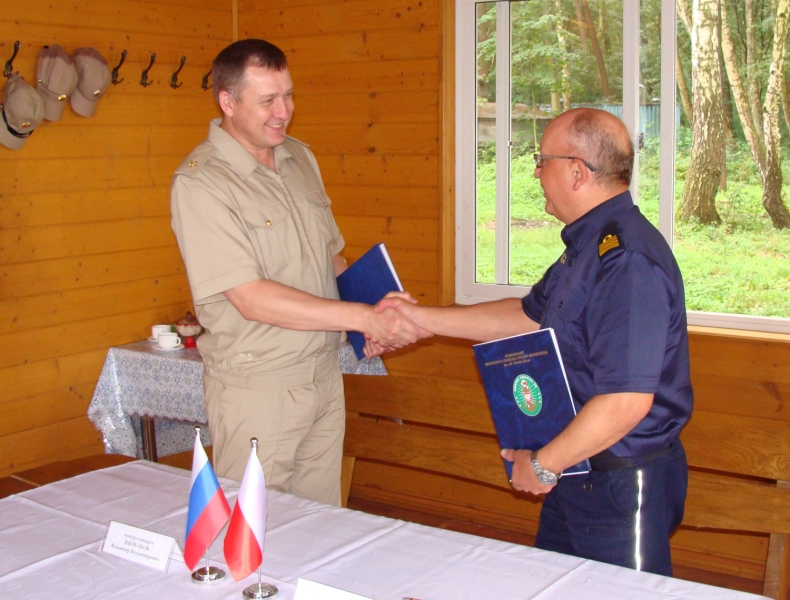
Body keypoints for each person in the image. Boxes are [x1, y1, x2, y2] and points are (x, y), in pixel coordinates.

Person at [376, 108, 693, 576]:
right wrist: (420, 318)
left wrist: (544, 465)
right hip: (577, 465)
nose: (537, 172)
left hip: (619, 482)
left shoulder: (626, 261)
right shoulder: (589, 245)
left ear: (578, 172)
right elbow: (527, 317)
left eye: (543, 161)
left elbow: (625, 401)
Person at [170, 39, 430, 506]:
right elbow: (250, 297)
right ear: (227, 101)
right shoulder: (201, 183)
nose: (284, 111)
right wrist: (361, 317)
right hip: (260, 388)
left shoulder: (299, 158)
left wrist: (368, 320)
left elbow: (329, 261)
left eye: (288, 95)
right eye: (267, 100)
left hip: (324, 377)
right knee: (253, 531)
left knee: (321, 525)